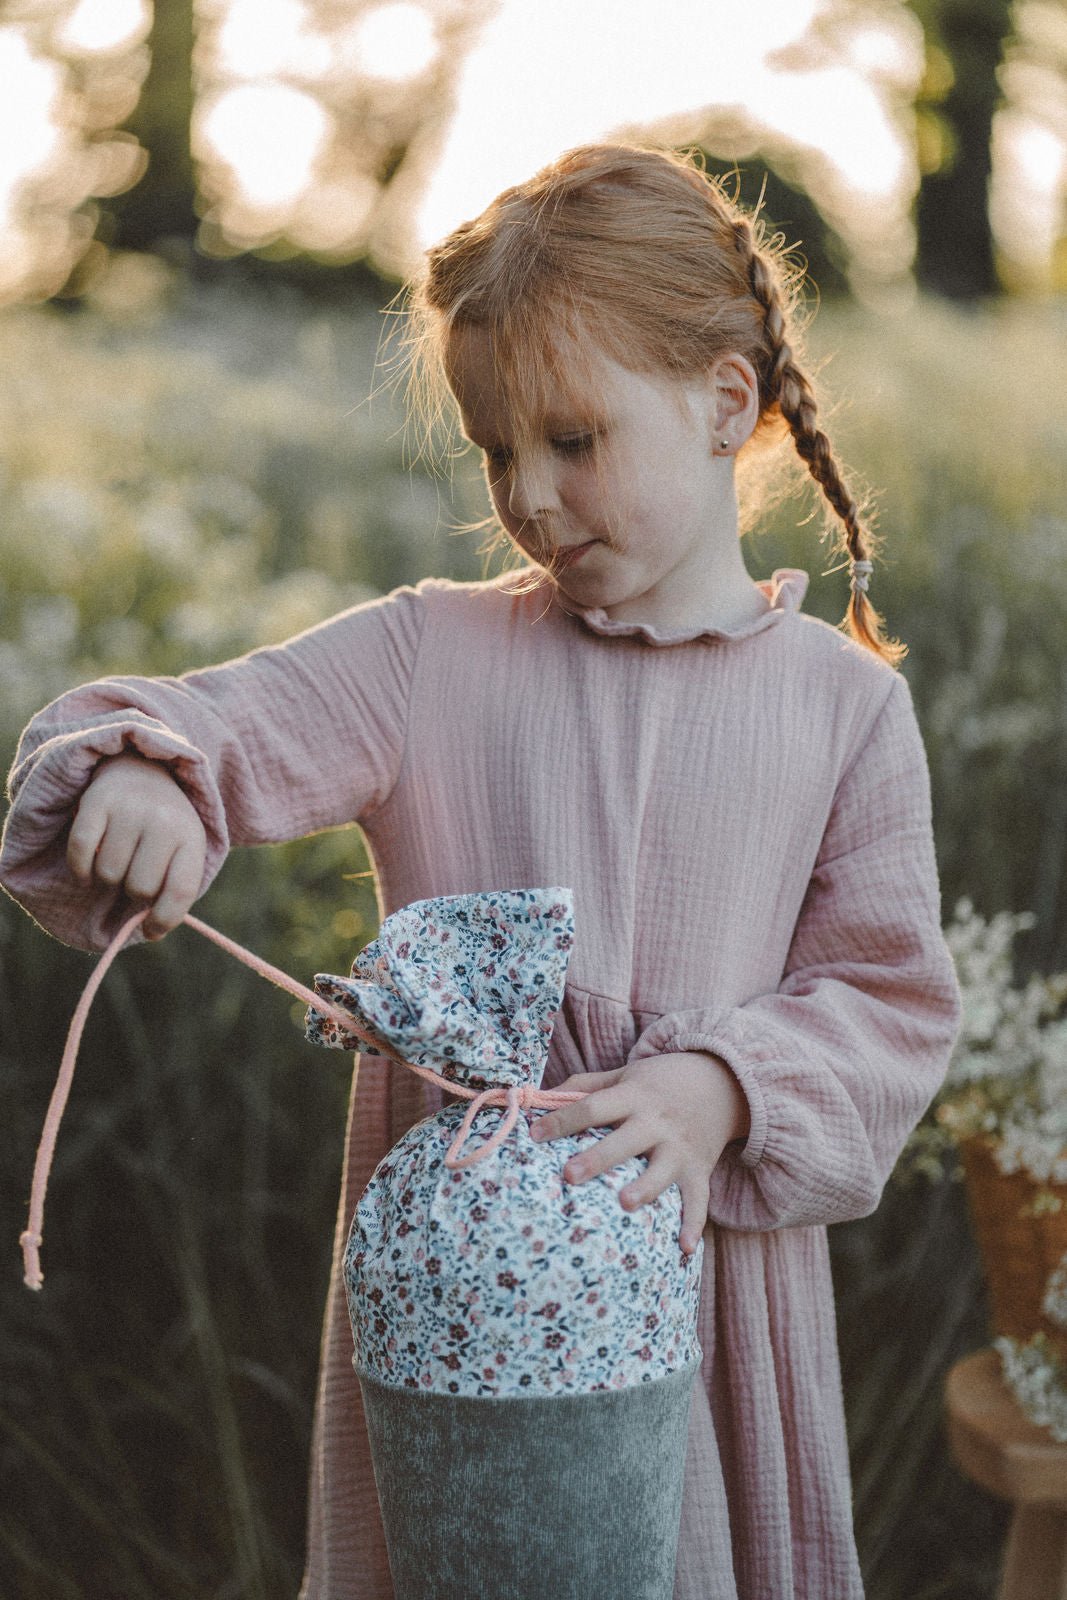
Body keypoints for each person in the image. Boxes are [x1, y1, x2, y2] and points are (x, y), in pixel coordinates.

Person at [0, 143, 962, 1599]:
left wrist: (722, 1089)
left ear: (725, 403)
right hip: (456, 1310)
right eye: (496, 451)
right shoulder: (427, 654)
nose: (531, 494)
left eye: (572, 439)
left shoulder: (844, 711)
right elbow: (210, 720)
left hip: (698, 1275)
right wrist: (142, 773)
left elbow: (890, 1003)